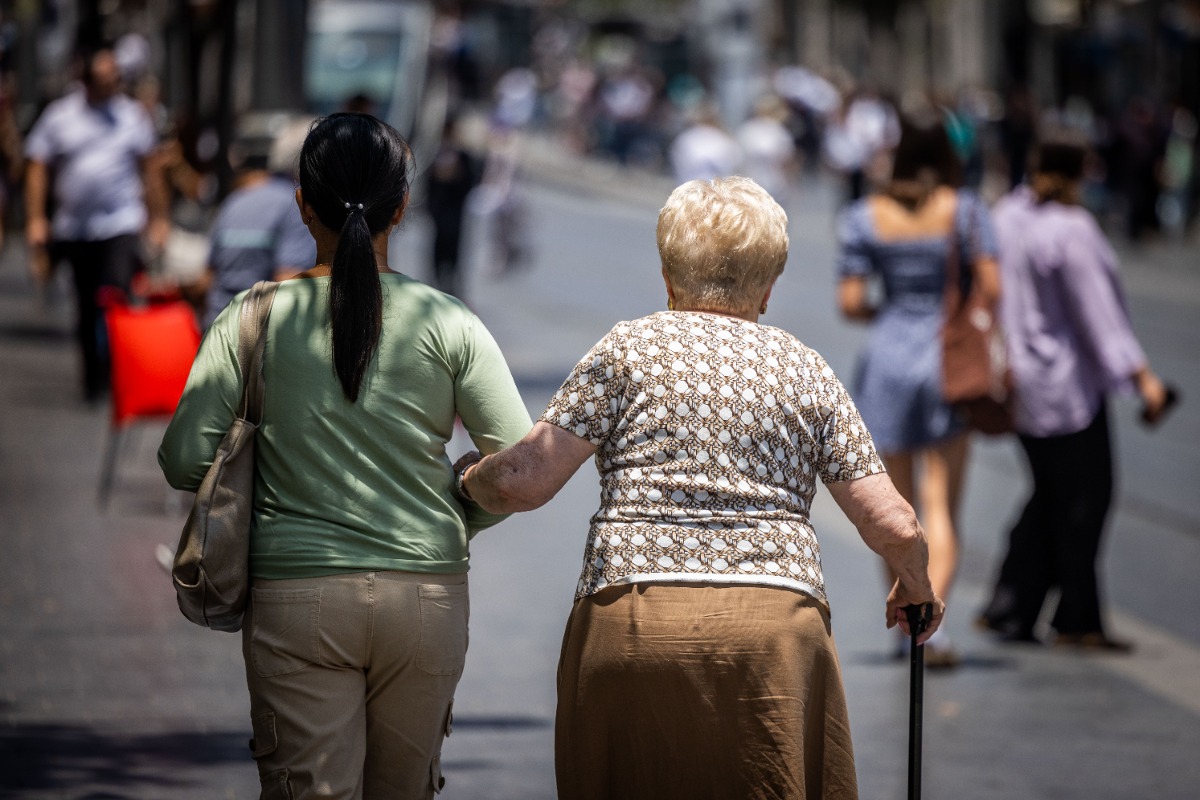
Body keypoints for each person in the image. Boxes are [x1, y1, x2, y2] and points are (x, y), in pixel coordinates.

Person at [455, 177, 944, 799]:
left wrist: (468, 480)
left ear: (667, 275)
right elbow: (894, 523)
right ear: (769, 287)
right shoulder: (805, 366)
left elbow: (527, 480)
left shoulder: (629, 349)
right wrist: (916, 584)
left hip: (634, 621)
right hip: (774, 636)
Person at [158, 113, 532, 798]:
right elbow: (516, 464)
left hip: (296, 601)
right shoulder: (449, 321)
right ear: (404, 206)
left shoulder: (252, 316)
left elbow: (183, 459)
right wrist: (455, 515)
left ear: (302, 204)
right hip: (426, 597)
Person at [976, 138, 1173, 650]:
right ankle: (1077, 618)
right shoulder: (1073, 230)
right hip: (1066, 388)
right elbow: (1098, 316)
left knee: (1049, 494)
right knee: (1086, 499)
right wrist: (1142, 378)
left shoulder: (1008, 216)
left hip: (1021, 383)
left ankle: (1010, 605)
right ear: (1083, 172)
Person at [835, 111, 1000, 667]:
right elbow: (993, 286)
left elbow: (852, 301)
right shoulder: (966, 210)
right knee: (940, 506)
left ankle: (906, 624)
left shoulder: (864, 216)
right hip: (947, 360)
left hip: (887, 360)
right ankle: (937, 628)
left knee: (894, 511)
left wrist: (893, 312)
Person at [24, 45, 169, 401]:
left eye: (115, 78)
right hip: (75, 227)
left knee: (114, 294)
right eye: (103, 79)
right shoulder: (61, 116)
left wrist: (159, 218)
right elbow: (37, 168)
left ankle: (116, 370)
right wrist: (36, 219)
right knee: (86, 304)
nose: (111, 85)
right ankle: (93, 376)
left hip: (120, 223)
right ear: (85, 79)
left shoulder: (131, 116)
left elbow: (150, 169)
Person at [198, 118, 316, 327]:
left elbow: (207, 278)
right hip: (257, 336)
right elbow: (287, 284)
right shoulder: (296, 204)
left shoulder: (236, 200)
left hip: (216, 329)